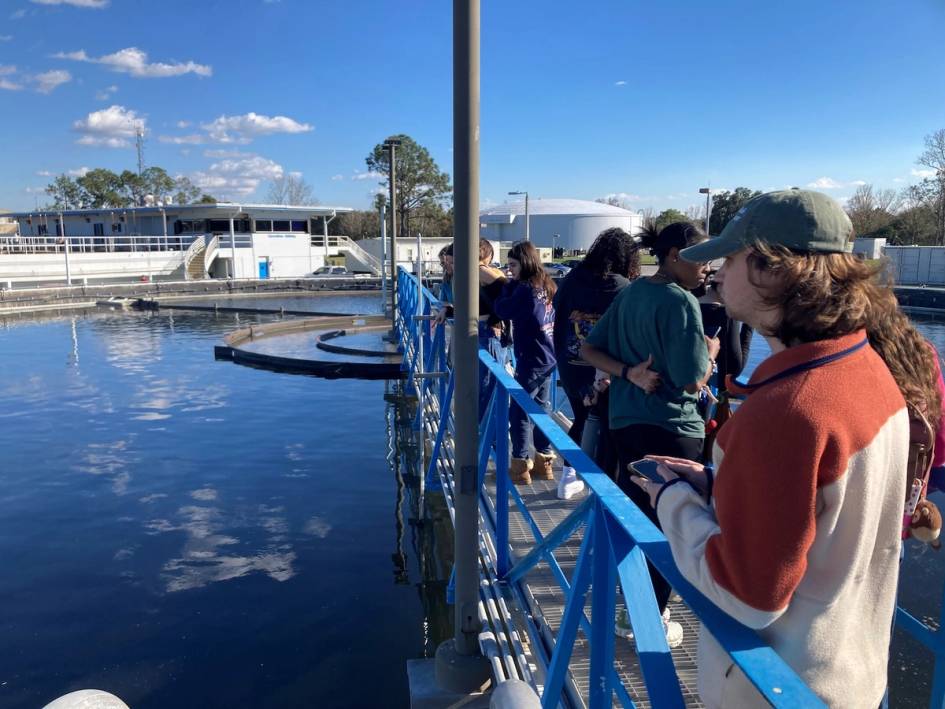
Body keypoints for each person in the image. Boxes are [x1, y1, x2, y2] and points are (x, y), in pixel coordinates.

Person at [632, 190, 923, 708]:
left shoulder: (787, 410)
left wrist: (671, 499)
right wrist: (719, 487)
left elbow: (747, 597)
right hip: (854, 678)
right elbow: (824, 510)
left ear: (772, 269)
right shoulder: (872, 370)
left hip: (775, 688)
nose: (717, 272)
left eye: (731, 259)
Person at [580, 221, 718, 646]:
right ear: (675, 255)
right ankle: (650, 618)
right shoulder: (681, 302)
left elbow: (587, 349)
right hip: (674, 430)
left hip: (627, 425)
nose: (708, 268)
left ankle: (629, 608)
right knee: (674, 526)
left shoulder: (631, 294)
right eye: (701, 258)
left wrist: (628, 375)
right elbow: (694, 380)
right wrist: (710, 355)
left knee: (637, 516)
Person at [552, 228, 648, 491]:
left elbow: (557, 309)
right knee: (604, 425)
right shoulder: (623, 287)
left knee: (581, 417)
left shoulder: (572, 279)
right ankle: (597, 483)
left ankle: (570, 475)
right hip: (606, 367)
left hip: (570, 361)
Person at [494, 241, 557, 485]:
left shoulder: (524, 289)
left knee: (519, 411)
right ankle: (545, 460)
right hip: (549, 356)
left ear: (525, 263)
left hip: (530, 357)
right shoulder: (547, 284)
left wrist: (505, 287)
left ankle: (520, 465)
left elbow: (502, 309)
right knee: (542, 409)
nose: (509, 270)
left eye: (512, 265)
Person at [476, 238, 511, 419]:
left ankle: (483, 431)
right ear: (488, 254)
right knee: (491, 383)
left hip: (484, 328)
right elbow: (507, 286)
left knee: (486, 382)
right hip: (488, 330)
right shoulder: (481, 270)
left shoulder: (473, 271)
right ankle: (488, 435)